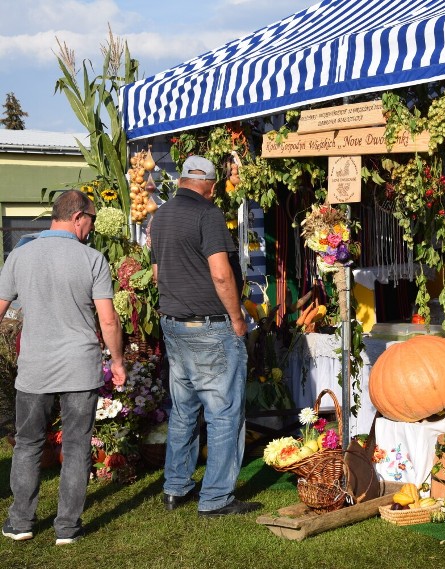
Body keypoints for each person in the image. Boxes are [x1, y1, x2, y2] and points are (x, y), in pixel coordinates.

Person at [0, 190, 126, 545]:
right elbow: (109, 320)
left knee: (27, 445)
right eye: (93, 220)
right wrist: (117, 361)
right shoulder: (92, 259)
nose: (93, 227)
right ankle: (67, 528)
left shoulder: (18, 256)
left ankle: (20, 522)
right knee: (76, 446)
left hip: (34, 368)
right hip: (79, 366)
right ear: (77, 217)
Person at [150, 155, 259, 517]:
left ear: (182, 180)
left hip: (174, 325)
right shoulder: (208, 214)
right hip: (209, 328)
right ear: (210, 186)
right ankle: (216, 498)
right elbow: (221, 274)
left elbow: (155, 272)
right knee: (224, 413)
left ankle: (175, 487)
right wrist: (237, 319)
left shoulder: (160, 215)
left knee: (183, 411)